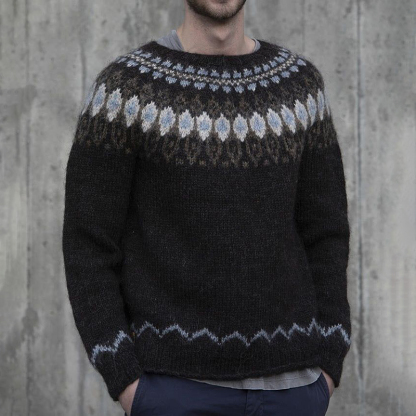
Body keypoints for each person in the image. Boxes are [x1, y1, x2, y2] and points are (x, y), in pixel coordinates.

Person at [62, 0, 352, 415]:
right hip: (172, 390)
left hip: (295, 388)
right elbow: (88, 242)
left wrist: (328, 362)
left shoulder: (300, 87)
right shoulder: (125, 91)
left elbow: (326, 232)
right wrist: (126, 379)